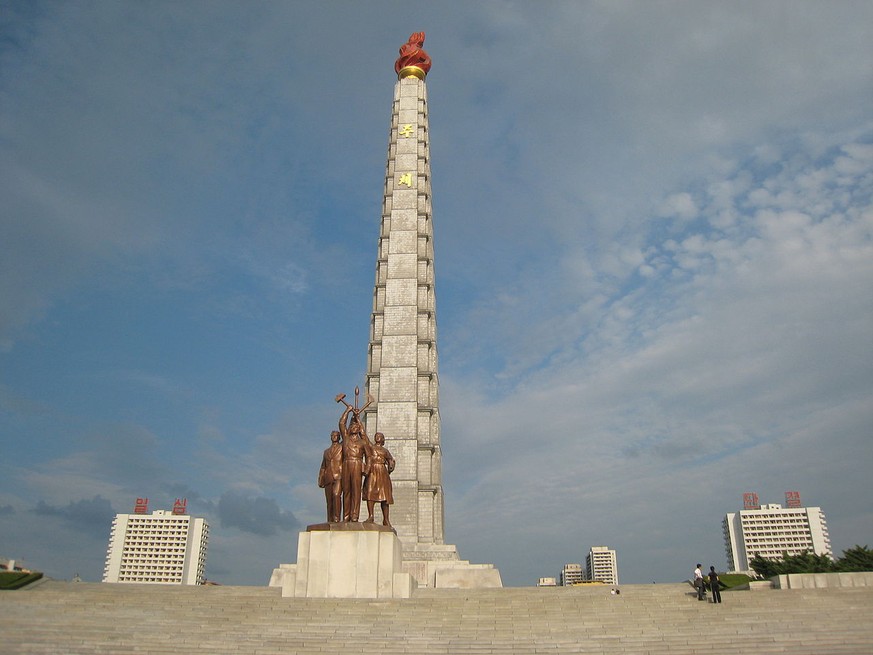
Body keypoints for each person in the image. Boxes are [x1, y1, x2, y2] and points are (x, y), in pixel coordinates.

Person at [338, 405, 371, 522]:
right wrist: (347, 410)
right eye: (351, 426)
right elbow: (342, 423)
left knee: (356, 491)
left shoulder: (362, 442)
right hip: (346, 464)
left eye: (355, 426)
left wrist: (367, 469)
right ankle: (346, 516)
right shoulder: (345, 438)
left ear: (358, 429)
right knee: (346, 490)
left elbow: (369, 456)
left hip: (357, 464)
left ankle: (355, 515)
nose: (353, 428)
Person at [363, 432, 395, 528]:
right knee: (370, 493)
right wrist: (357, 421)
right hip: (372, 471)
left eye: (380, 436)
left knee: (385, 497)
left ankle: (386, 519)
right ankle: (371, 516)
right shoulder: (371, 447)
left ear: (383, 440)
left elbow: (390, 460)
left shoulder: (385, 451)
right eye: (376, 436)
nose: (377, 437)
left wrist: (391, 466)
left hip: (382, 472)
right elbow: (364, 436)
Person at [317, 430, 343, 523]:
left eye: (336, 435)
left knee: (336, 496)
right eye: (332, 435)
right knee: (329, 500)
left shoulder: (342, 448)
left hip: (339, 476)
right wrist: (320, 478)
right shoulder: (326, 452)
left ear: (339, 437)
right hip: (328, 477)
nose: (334, 436)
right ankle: (330, 520)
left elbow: (346, 432)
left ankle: (337, 518)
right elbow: (323, 466)